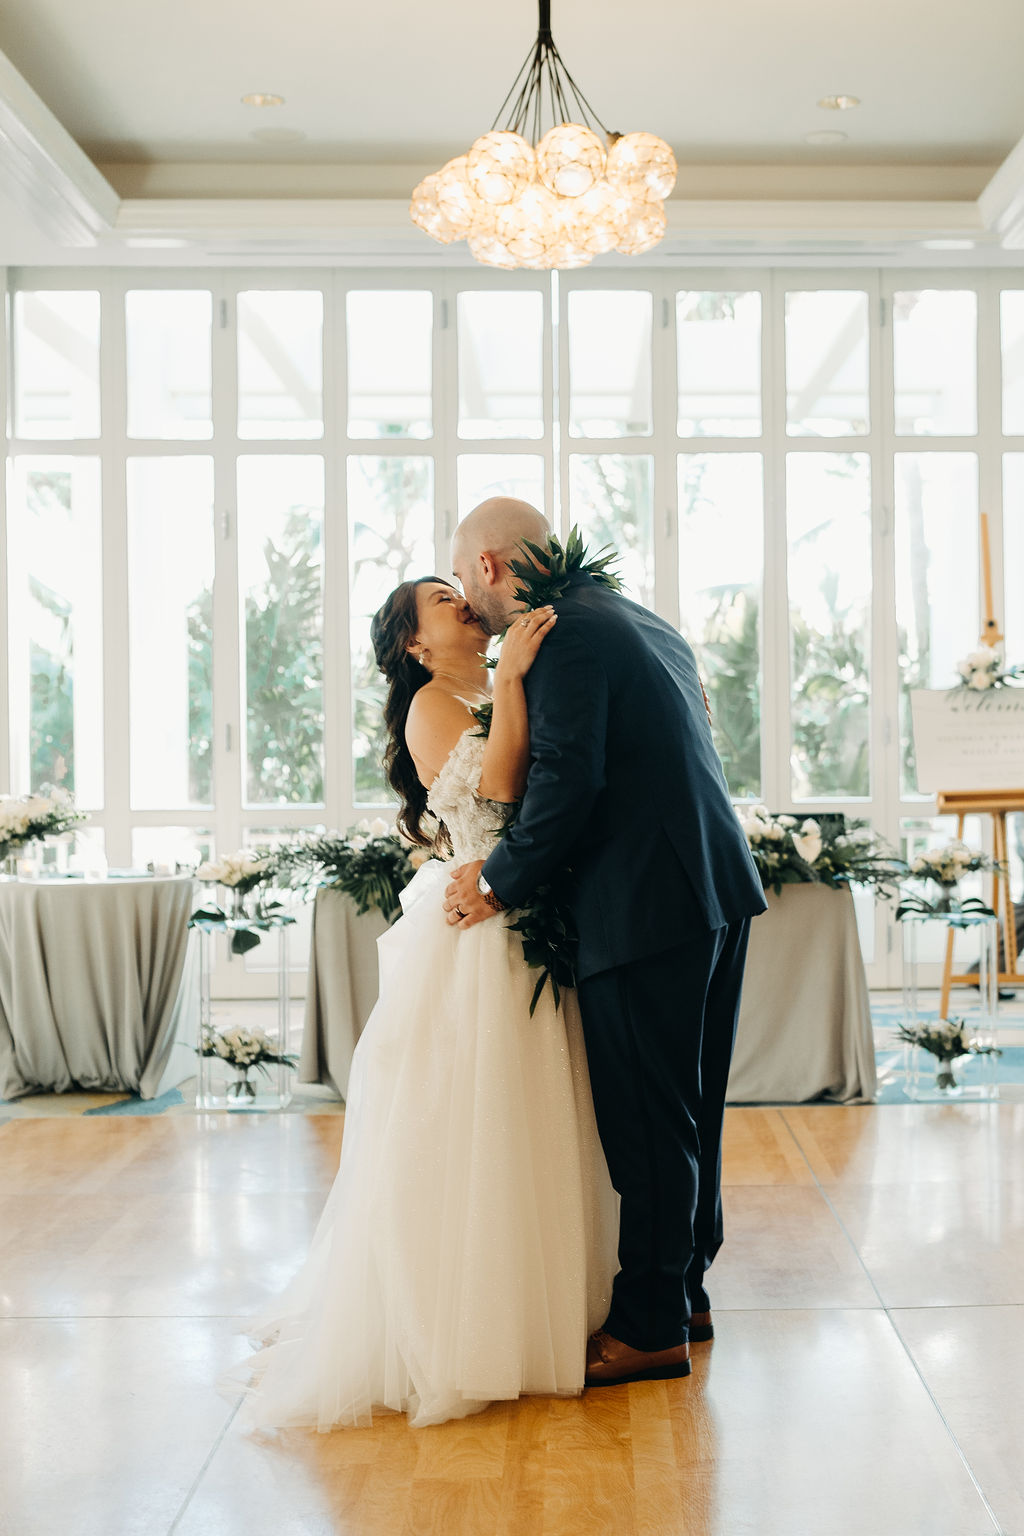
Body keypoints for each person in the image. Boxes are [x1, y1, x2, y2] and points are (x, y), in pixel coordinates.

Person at [228, 575, 618, 1430]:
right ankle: (465, 1323)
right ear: (414, 642)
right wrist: (512, 680)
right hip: (473, 922)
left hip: (525, 910)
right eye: (441, 600)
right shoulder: (434, 705)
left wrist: (514, 679)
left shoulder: (492, 679)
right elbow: (504, 795)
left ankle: (545, 1298)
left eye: (458, 591)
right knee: (467, 1113)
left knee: (535, 1111)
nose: (462, 604)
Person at [446, 498, 768, 1388]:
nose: (477, 614)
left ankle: (651, 1324)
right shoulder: (635, 616)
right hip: (712, 886)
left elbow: (567, 780)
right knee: (692, 1104)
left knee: (648, 1120)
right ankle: (687, 1292)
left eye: (472, 592)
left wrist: (499, 879)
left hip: (648, 902)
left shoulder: (560, 636)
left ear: (488, 566)